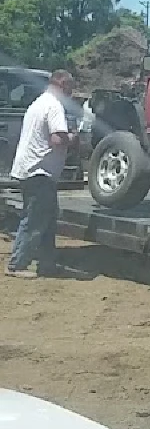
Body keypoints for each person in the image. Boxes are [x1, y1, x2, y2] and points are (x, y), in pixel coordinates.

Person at [6, 70, 77, 279]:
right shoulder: (54, 106)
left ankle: (47, 263)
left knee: (47, 219)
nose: (71, 94)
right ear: (63, 84)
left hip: (30, 169)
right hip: (40, 171)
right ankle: (17, 264)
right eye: (70, 89)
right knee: (35, 220)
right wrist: (73, 138)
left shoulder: (38, 104)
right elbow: (57, 139)